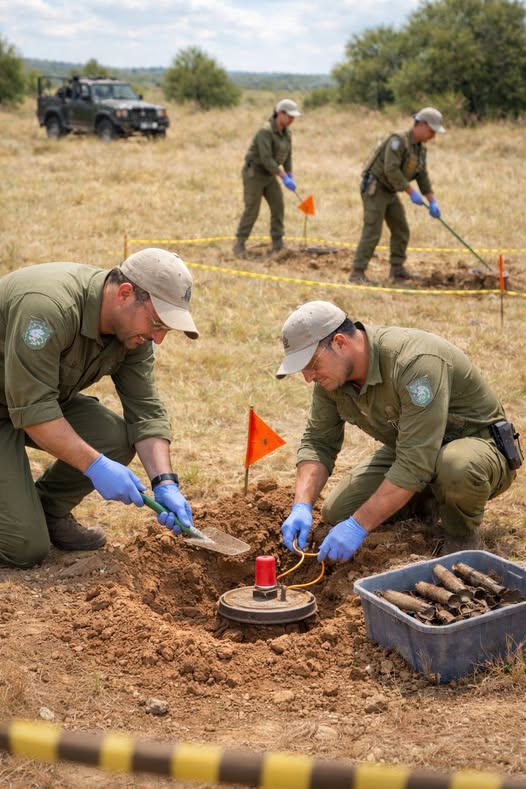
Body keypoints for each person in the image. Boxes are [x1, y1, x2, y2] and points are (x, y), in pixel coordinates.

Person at [0, 247, 199, 568]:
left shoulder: (134, 333)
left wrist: (165, 483)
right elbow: (34, 411)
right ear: (124, 294)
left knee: (114, 437)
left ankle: (46, 510)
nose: (158, 339)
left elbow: (144, 410)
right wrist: (95, 466)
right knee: (22, 547)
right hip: (22, 405)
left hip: (27, 400)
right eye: (157, 323)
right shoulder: (48, 308)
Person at [276, 300, 520, 561]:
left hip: (477, 447)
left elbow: (415, 462)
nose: (308, 377)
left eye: (312, 364)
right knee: (339, 510)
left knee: (455, 466)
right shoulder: (331, 380)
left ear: (339, 343)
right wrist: (302, 504)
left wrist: (359, 526)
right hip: (414, 447)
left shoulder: (414, 363)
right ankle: (429, 500)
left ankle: (461, 539)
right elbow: (318, 441)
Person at [350, 107, 445, 284]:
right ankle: (357, 273)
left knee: (401, 229)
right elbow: (390, 169)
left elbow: (422, 175)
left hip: (390, 190)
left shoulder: (419, 149)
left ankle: (397, 270)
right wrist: (411, 192)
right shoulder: (398, 141)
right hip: (375, 188)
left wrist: (432, 201)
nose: (433, 136)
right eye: (432, 131)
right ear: (422, 125)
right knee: (372, 231)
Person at [233, 98, 302, 258]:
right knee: (252, 209)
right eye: (290, 116)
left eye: (294, 117)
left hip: (270, 174)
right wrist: (283, 176)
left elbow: (288, 155)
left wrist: (289, 173)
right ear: (280, 114)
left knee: (278, 206)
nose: (292, 120)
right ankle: (239, 244)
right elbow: (266, 158)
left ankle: (278, 243)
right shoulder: (265, 131)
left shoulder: (287, 133)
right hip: (255, 174)